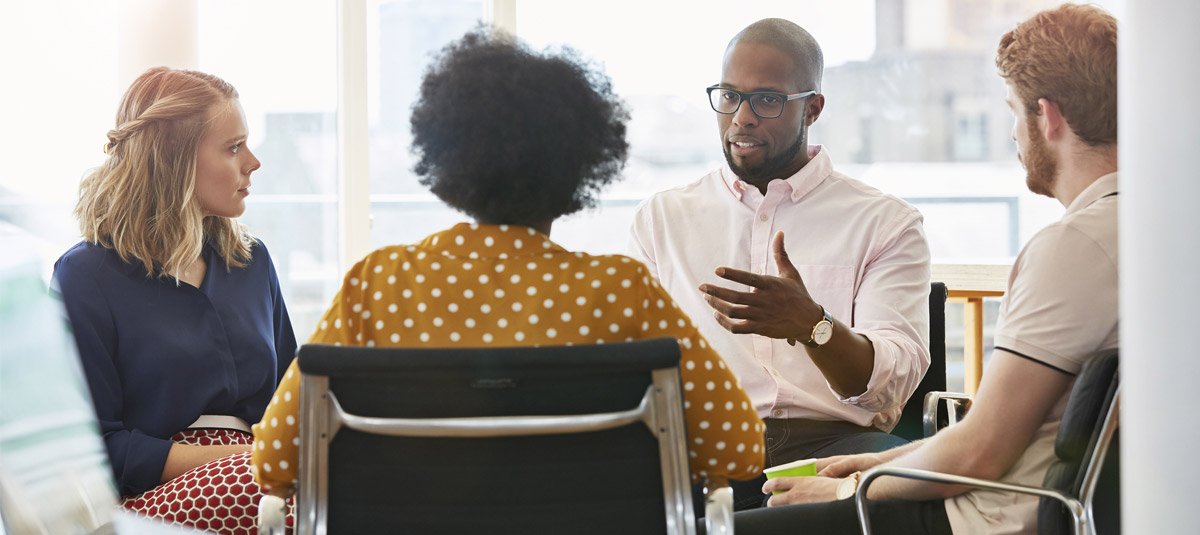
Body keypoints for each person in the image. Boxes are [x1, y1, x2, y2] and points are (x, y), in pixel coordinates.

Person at [252, 27, 765, 499]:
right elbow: (740, 449)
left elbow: (276, 457)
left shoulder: (380, 284)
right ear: (580, 167)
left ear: (448, 159)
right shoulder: (619, 291)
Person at [730, 4, 1119, 533]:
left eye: (1012, 111)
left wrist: (848, 487)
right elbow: (983, 439)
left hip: (984, 516)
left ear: (1046, 117)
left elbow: (980, 452)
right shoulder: (1140, 236)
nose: (1012, 135)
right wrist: (872, 465)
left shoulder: (1071, 247)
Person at [629, 18, 931, 509]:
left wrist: (814, 327)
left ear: (812, 108)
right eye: (729, 96)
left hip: (833, 447)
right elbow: (634, 361)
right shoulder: (662, 218)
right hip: (703, 449)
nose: (740, 117)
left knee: (905, 501)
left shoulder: (885, 223)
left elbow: (887, 394)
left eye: (766, 100)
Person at [53, 67, 298, 534]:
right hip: (154, 496)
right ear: (175, 160)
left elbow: (290, 398)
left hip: (262, 478)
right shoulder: (85, 276)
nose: (253, 162)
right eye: (233, 147)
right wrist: (246, 457)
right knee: (261, 487)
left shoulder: (253, 261)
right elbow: (97, 447)